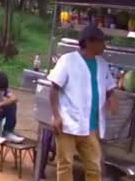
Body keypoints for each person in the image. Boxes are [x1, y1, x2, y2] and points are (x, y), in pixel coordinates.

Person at [48, 25, 117, 181]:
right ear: (88, 42)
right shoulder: (68, 60)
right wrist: (56, 116)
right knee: (65, 164)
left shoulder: (102, 64)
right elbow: (54, 88)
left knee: (95, 167)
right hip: (67, 124)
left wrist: (112, 98)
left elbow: (109, 88)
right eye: (101, 42)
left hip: (90, 127)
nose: (104, 46)